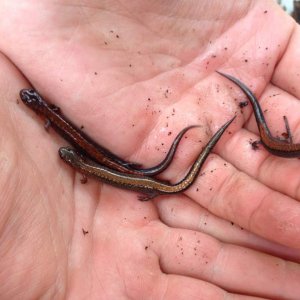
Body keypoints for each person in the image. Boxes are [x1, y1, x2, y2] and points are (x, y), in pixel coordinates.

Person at [0, 1, 299, 299]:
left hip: (153, 185)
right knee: (152, 178)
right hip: (153, 185)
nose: (67, 159)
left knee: (151, 178)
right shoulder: (84, 166)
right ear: (76, 163)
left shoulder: (84, 170)